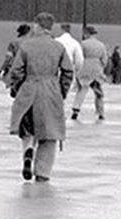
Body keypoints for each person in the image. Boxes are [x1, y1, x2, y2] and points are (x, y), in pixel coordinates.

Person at [8, 12, 74, 183]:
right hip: (51, 89)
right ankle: (43, 173)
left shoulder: (26, 45)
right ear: (50, 27)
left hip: (30, 87)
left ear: (37, 25)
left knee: (27, 127)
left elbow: (16, 71)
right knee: (49, 132)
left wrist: (17, 89)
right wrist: (61, 91)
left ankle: (28, 150)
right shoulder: (58, 47)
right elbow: (68, 71)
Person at [72, 26, 107, 121]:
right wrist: (101, 68)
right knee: (98, 92)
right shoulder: (101, 45)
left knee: (82, 90)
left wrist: (77, 68)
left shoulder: (83, 44)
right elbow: (104, 59)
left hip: (85, 68)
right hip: (97, 69)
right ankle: (101, 112)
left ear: (86, 33)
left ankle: (76, 109)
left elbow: (79, 57)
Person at [55, 22, 84, 101]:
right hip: (69, 69)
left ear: (61, 29)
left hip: (55, 69)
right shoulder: (75, 43)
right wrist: (77, 71)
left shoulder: (56, 41)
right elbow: (79, 60)